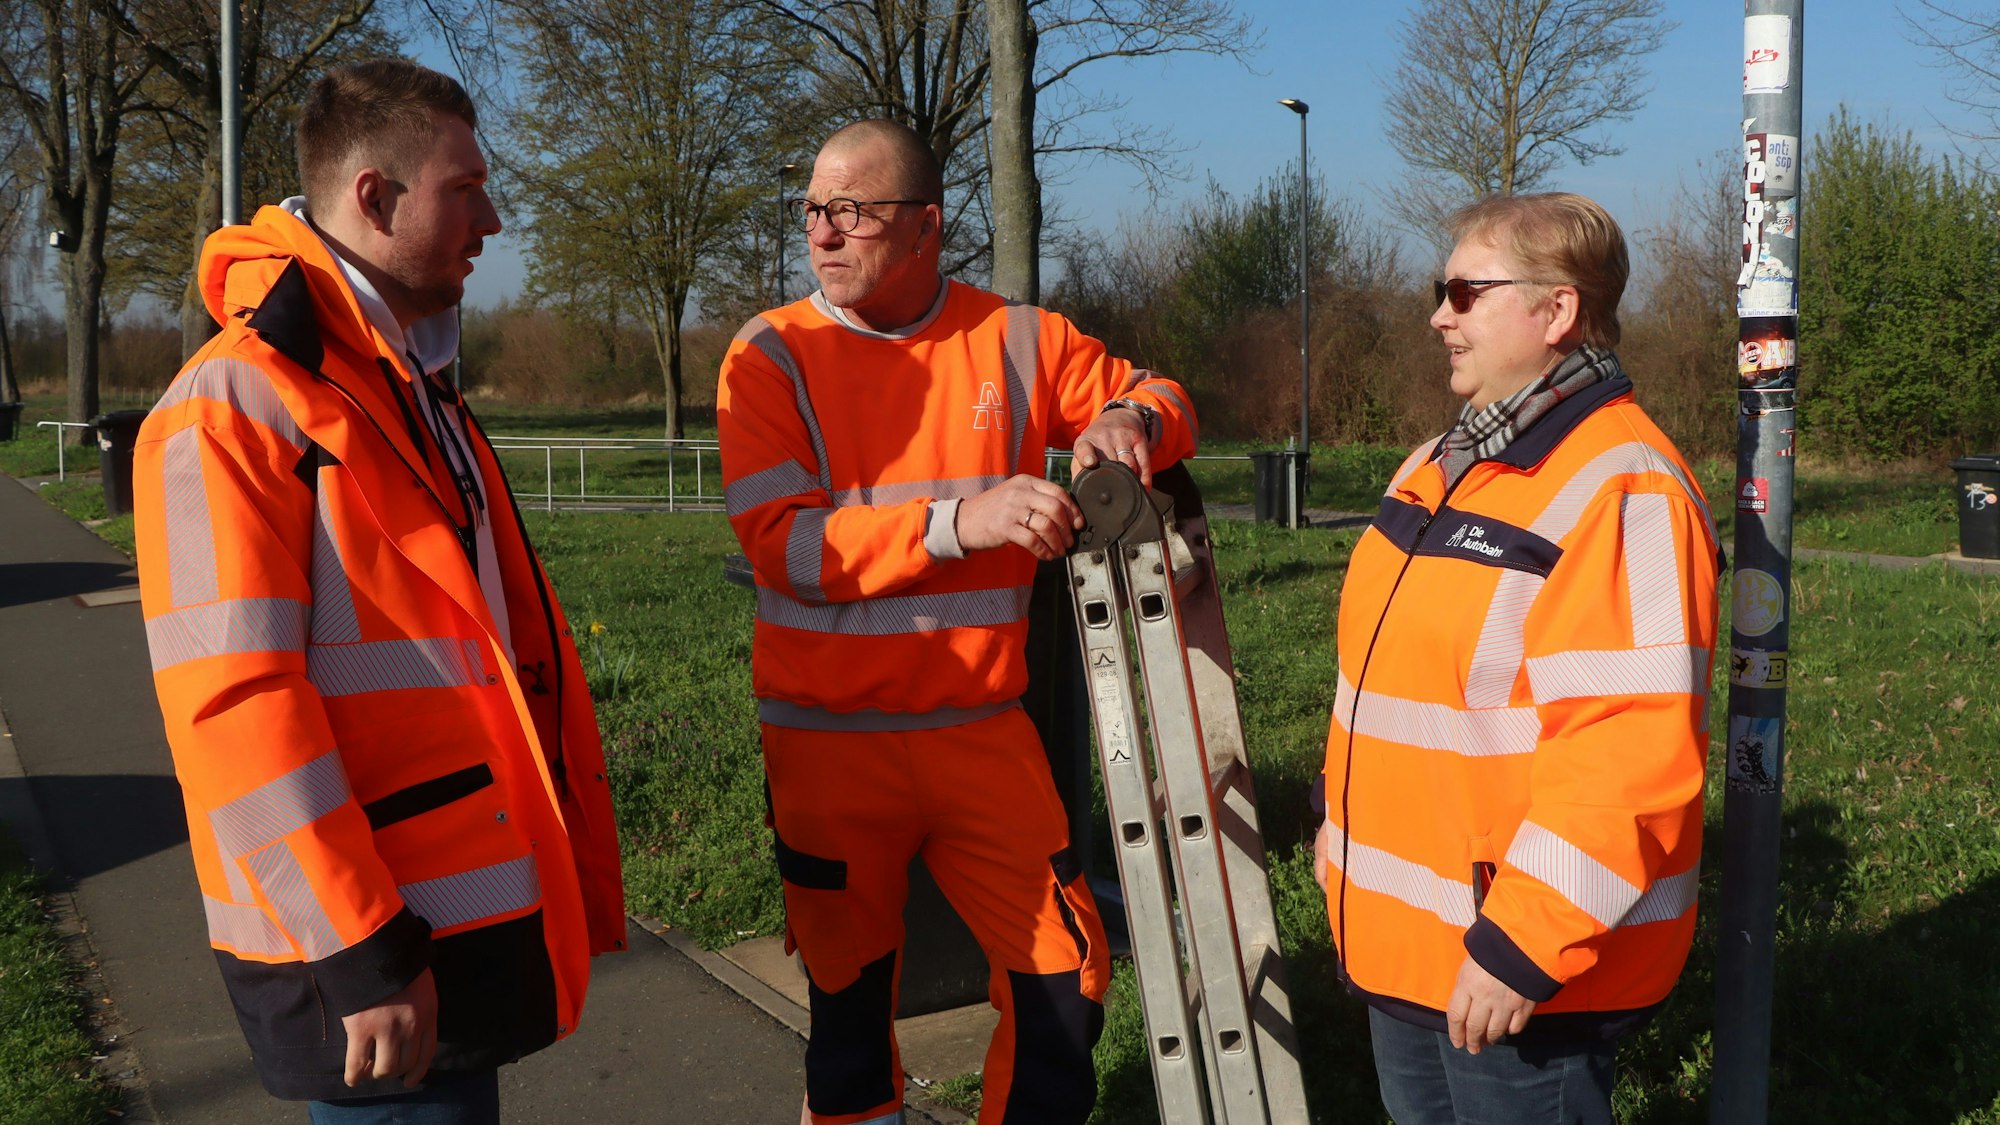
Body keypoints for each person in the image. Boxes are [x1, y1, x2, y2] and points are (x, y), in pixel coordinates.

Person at [131, 59, 625, 1122]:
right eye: (466, 188)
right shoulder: (233, 409)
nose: (491, 218)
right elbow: (234, 713)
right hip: (374, 958)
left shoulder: (405, 388)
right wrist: (360, 952)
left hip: (452, 929)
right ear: (374, 196)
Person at [717, 118, 1197, 1124]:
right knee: (848, 1016)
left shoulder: (1018, 338)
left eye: (853, 211)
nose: (823, 233)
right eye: (812, 210)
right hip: (827, 746)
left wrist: (1131, 421)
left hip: (981, 731)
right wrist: (957, 523)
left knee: (1066, 978)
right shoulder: (770, 354)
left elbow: (1156, 391)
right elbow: (784, 549)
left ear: (927, 226)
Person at [1315, 192, 1720, 1124]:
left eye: (1465, 290)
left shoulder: (1625, 485)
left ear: (1558, 309)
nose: (1437, 314)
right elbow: (1386, 684)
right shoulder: (1437, 462)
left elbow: (1628, 758)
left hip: (1520, 976)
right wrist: (1335, 831)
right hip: (1404, 948)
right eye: (1440, 288)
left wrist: (1520, 947)